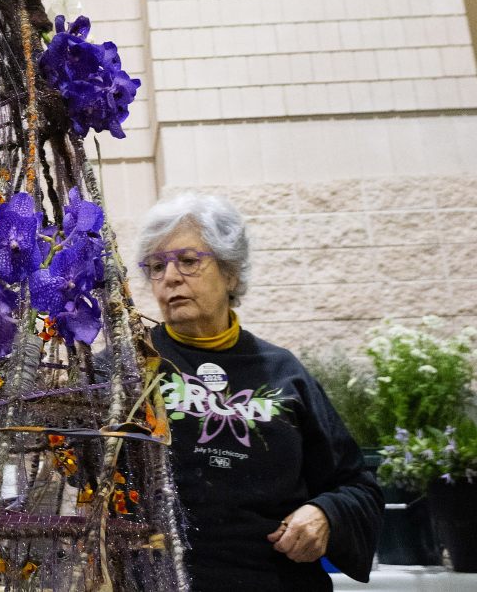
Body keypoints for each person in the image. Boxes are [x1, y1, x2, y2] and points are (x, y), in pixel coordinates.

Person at [137, 191, 382, 590]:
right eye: (156, 266)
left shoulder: (283, 371)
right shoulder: (128, 368)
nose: (170, 277)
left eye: (188, 261)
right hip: (160, 580)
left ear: (230, 273)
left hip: (275, 578)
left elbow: (356, 485)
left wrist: (326, 514)